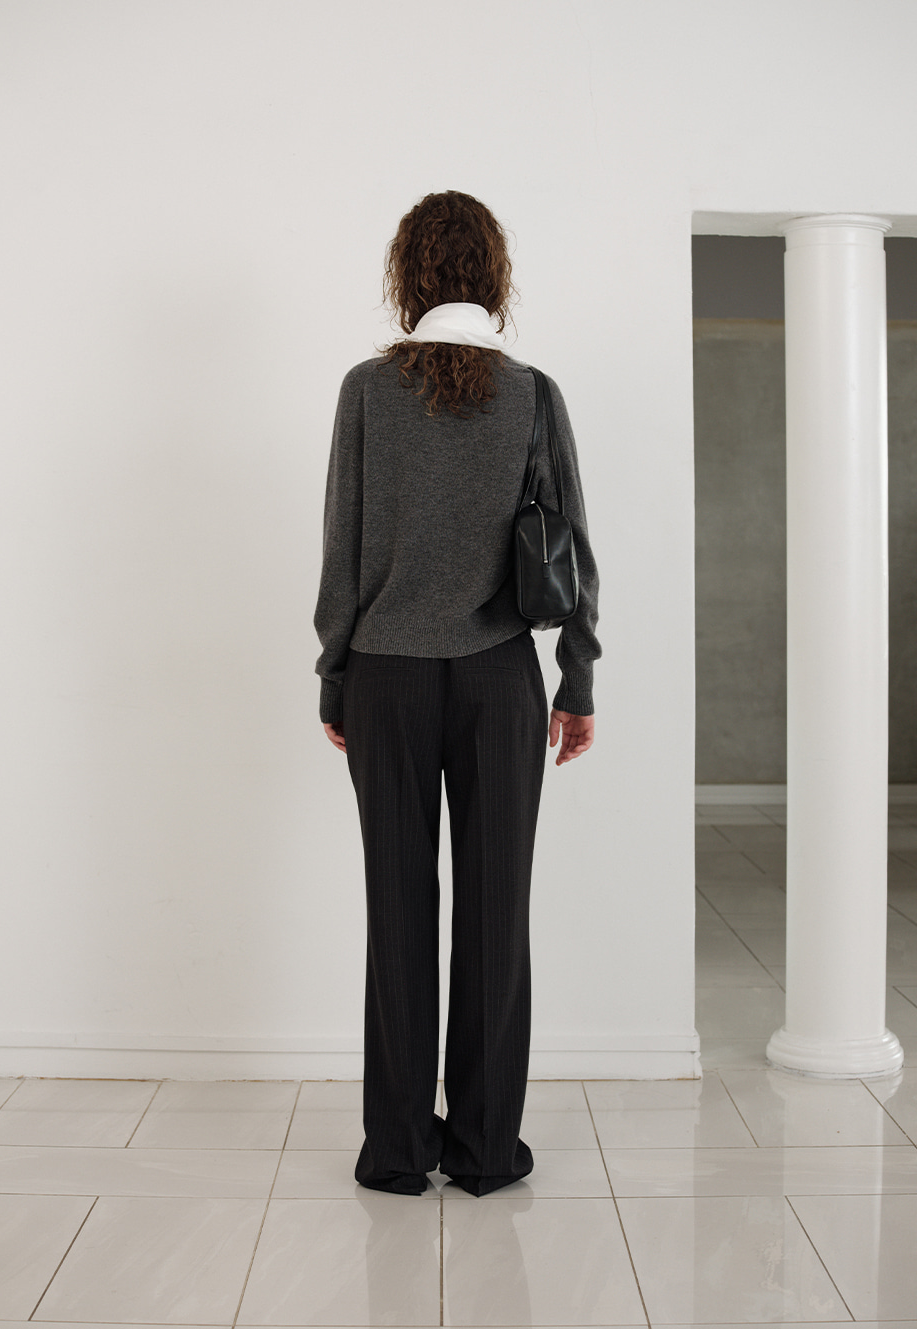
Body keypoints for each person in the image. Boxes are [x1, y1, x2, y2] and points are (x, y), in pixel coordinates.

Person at [314, 190, 601, 1196]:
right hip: (499, 681)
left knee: (397, 911)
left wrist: (335, 677)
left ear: (409, 274)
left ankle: (398, 1150)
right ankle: (483, 1149)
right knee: (495, 913)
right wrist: (577, 679)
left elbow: (344, 548)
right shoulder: (532, 394)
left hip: (386, 679)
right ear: (493, 275)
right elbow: (570, 550)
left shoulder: (366, 391)